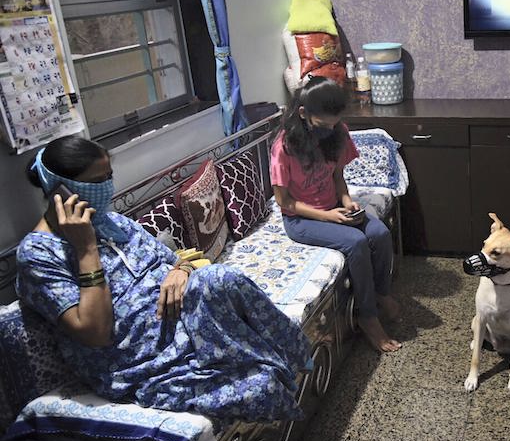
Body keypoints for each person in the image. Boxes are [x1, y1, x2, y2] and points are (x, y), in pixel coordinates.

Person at [16, 136, 311, 420]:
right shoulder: (39, 254)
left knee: (220, 277)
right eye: (96, 182)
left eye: (109, 176)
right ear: (60, 189)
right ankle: (268, 368)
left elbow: (182, 260)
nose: (107, 187)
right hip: (139, 363)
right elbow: (95, 333)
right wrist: (86, 247)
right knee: (262, 384)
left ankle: (297, 358)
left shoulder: (114, 222)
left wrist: (180, 270)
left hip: (186, 324)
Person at [270, 77, 402, 353]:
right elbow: (284, 201)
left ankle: (381, 292)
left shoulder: (336, 130)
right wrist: (328, 217)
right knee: (355, 243)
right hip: (300, 219)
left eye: (334, 123)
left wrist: (346, 201)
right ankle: (367, 317)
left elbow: (338, 175)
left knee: (379, 233)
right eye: (323, 125)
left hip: (334, 205)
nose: (330, 129)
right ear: (304, 114)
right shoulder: (284, 147)